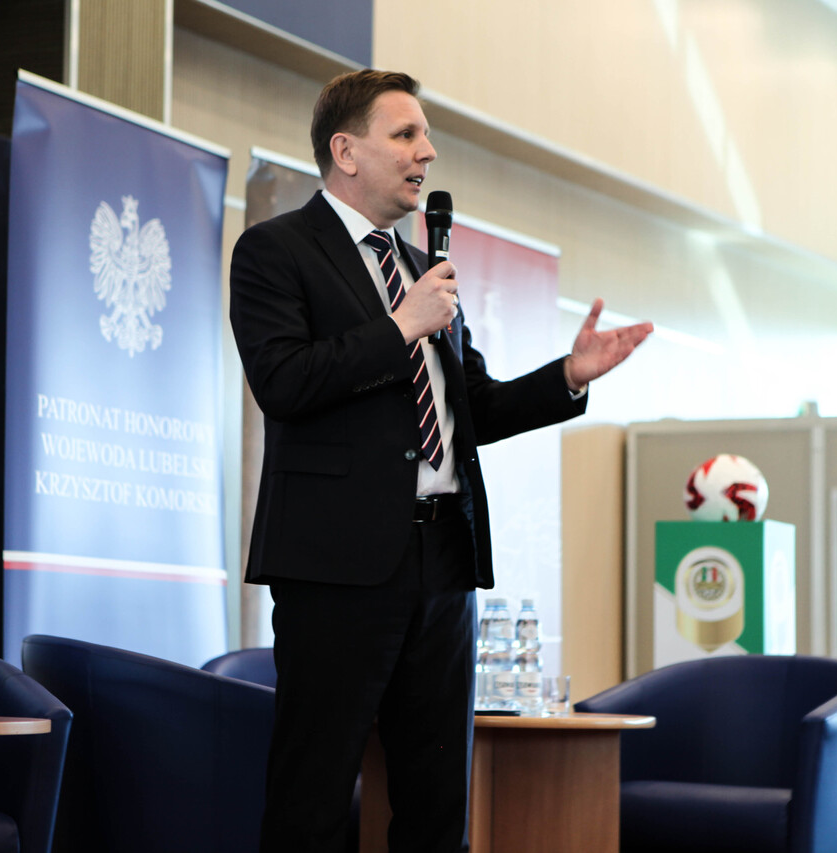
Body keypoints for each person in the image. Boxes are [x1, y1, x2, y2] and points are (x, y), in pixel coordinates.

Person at [229, 69, 653, 853]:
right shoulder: (276, 250)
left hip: (443, 563)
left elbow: (471, 409)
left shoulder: (421, 266)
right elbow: (283, 382)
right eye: (406, 135)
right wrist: (400, 326)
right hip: (335, 569)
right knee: (311, 801)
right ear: (345, 151)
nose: (427, 152)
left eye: (426, 136)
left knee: (436, 807)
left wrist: (568, 376)